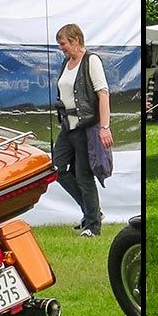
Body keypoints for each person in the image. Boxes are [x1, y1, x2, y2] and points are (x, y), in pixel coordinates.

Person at [51, 23, 111, 237]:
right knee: (57, 168)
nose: (61, 48)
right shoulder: (67, 62)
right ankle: (92, 211)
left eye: (63, 43)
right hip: (68, 127)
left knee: (84, 176)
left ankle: (93, 226)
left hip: (87, 127)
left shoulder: (91, 61)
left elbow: (103, 94)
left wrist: (104, 127)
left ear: (76, 40)